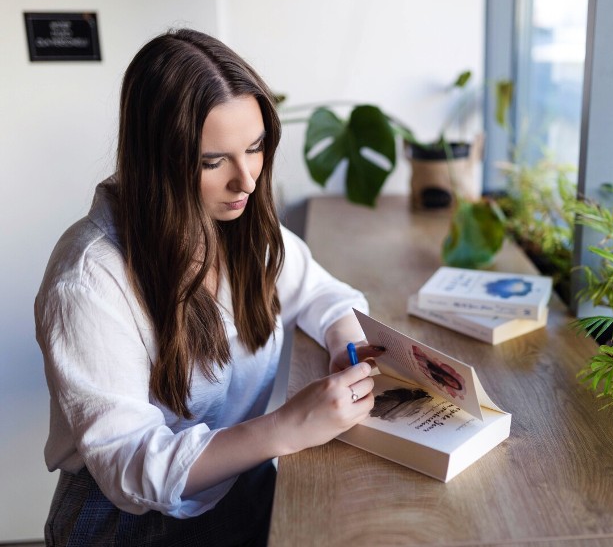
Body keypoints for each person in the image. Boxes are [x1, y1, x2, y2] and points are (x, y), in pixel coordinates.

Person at [34, 28, 381, 546]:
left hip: (242, 485)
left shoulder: (238, 225)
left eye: (256, 147)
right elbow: (132, 465)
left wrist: (346, 346)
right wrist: (287, 427)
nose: (246, 179)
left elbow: (322, 294)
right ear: (159, 162)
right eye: (212, 162)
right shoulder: (88, 279)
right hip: (129, 525)